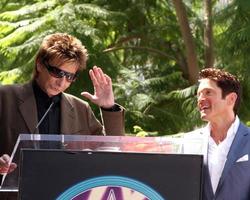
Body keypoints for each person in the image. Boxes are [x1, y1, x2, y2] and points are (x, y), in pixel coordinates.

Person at [0, 33, 124, 198]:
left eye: (69, 76)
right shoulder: (5, 97)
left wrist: (108, 107)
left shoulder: (81, 109)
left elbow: (113, 152)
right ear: (39, 64)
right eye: (57, 72)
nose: (62, 82)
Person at [186, 68, 250, 200]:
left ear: (231, 99)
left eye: (208, 92)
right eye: (199, 94)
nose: (201, 99)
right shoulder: (188, 142)